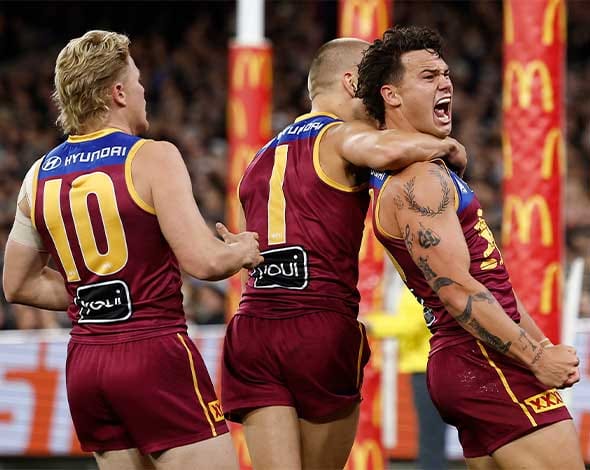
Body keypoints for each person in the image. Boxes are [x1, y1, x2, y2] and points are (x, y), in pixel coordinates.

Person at [2, 30, 263, 470]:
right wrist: (242, 250)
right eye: (138, 82)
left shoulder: (37, 176)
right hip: (153, 351)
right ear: (118, 92)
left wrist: (95, 296)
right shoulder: (152, 157)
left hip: (86, 364)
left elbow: (17, 283)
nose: (144, 92)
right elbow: (204, 261)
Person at [221, 37, 468, 470]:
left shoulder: (259, 156)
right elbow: (384, 151)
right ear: (353, 83)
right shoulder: (340, 135)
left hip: (252, 326)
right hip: (318, 324)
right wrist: (446, 147)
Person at [356, 26, 584, 470]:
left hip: (467, 358)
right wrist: (535, 357)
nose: (445, 83)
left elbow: (489, 280)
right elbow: (457, 288)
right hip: (482, 357)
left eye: (445, 73)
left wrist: (543, 345)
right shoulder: (420, 181)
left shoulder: (423, 171)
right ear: (392, 95)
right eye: (427, 76)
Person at [366, 286, 448, 470]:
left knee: (430, 435)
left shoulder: (422, 285)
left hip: (426, 368)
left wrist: (370, 325)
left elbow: (409, 324)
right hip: (431, 366)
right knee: (433, 434)